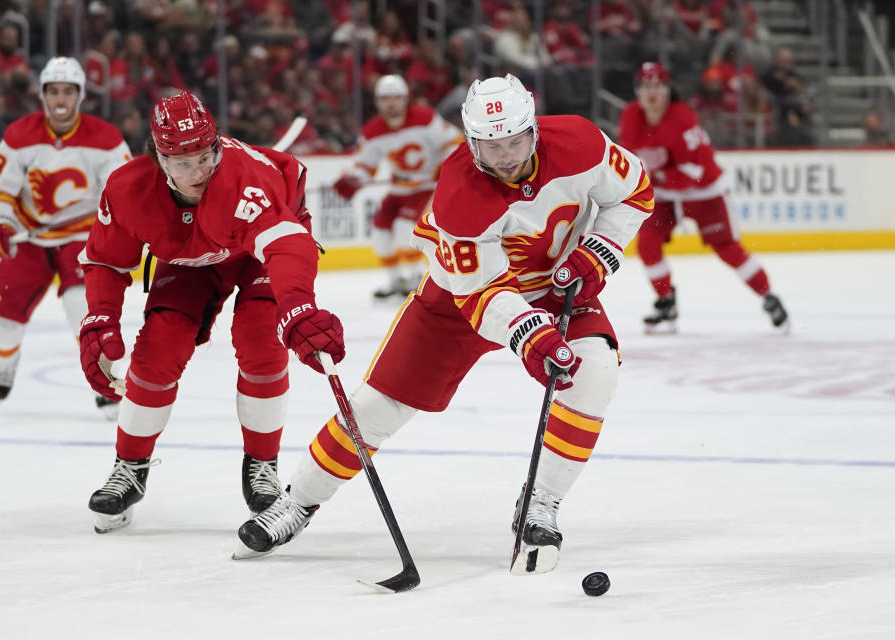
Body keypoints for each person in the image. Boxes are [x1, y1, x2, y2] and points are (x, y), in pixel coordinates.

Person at [236, 74, 654, 574]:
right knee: (379, 407)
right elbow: (481, 293)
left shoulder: (580, 141)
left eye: (514, 142)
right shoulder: (459, 194)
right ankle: (298, 501)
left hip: (559, 282)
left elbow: (633, 192)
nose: (504, 157)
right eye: (490, 145)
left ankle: (540, 504)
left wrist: (599, 251)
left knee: (594, 373)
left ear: (533, 130)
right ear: (471, 139)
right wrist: (530, 334)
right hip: (462, 297)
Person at [79, 92, 345, 534]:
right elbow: (105, 261)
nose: (198, 171)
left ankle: (262, 464)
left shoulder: (245, 182)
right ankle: (129, 465)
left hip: (257, 254)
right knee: (159, 348)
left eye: (206, 156)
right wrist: (99, 319)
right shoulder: (128, 189)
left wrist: (298, 306)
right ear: (159, 159)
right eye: (183, 163)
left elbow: (287, 245)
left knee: (262, 340)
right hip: (190, 262)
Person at [0, 56, 131, 417]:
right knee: (2, 324)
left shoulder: (106, 139)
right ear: (43, 95)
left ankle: (105, 381)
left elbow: (123, 191)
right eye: (53, 92)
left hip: (82, 238)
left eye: (67, 92)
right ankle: (6, 362)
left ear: (79, 95)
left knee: (84, 309)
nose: (60, 100)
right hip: (30, 236)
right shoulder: (19, 135)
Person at [617, 62, 789, 333]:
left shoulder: (682, 117)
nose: (652, 94)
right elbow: (630, 158)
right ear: (637, 91)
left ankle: (769, 296)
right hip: (662, 192)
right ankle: (666, 302)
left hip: (702, 190)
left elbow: (691, 173)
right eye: (645, 87)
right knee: (648, 244)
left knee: (727, 248)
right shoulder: (630, 116)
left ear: (667, 90)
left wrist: (655, 177)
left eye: (658, 87)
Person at [331, 74, 463, 299]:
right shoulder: (372, 130)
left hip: (427, 187)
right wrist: (354, 178)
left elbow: (454, 142)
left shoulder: (425, 118)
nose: (391, 103)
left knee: (404, 229)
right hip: (399, 189)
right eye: (385, 98)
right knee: (380, 232)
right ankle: (394, 280)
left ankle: (415, 277)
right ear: (378, 102)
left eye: (395, 97)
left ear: (405, 98)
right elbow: (366, 165)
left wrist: (443, 168)